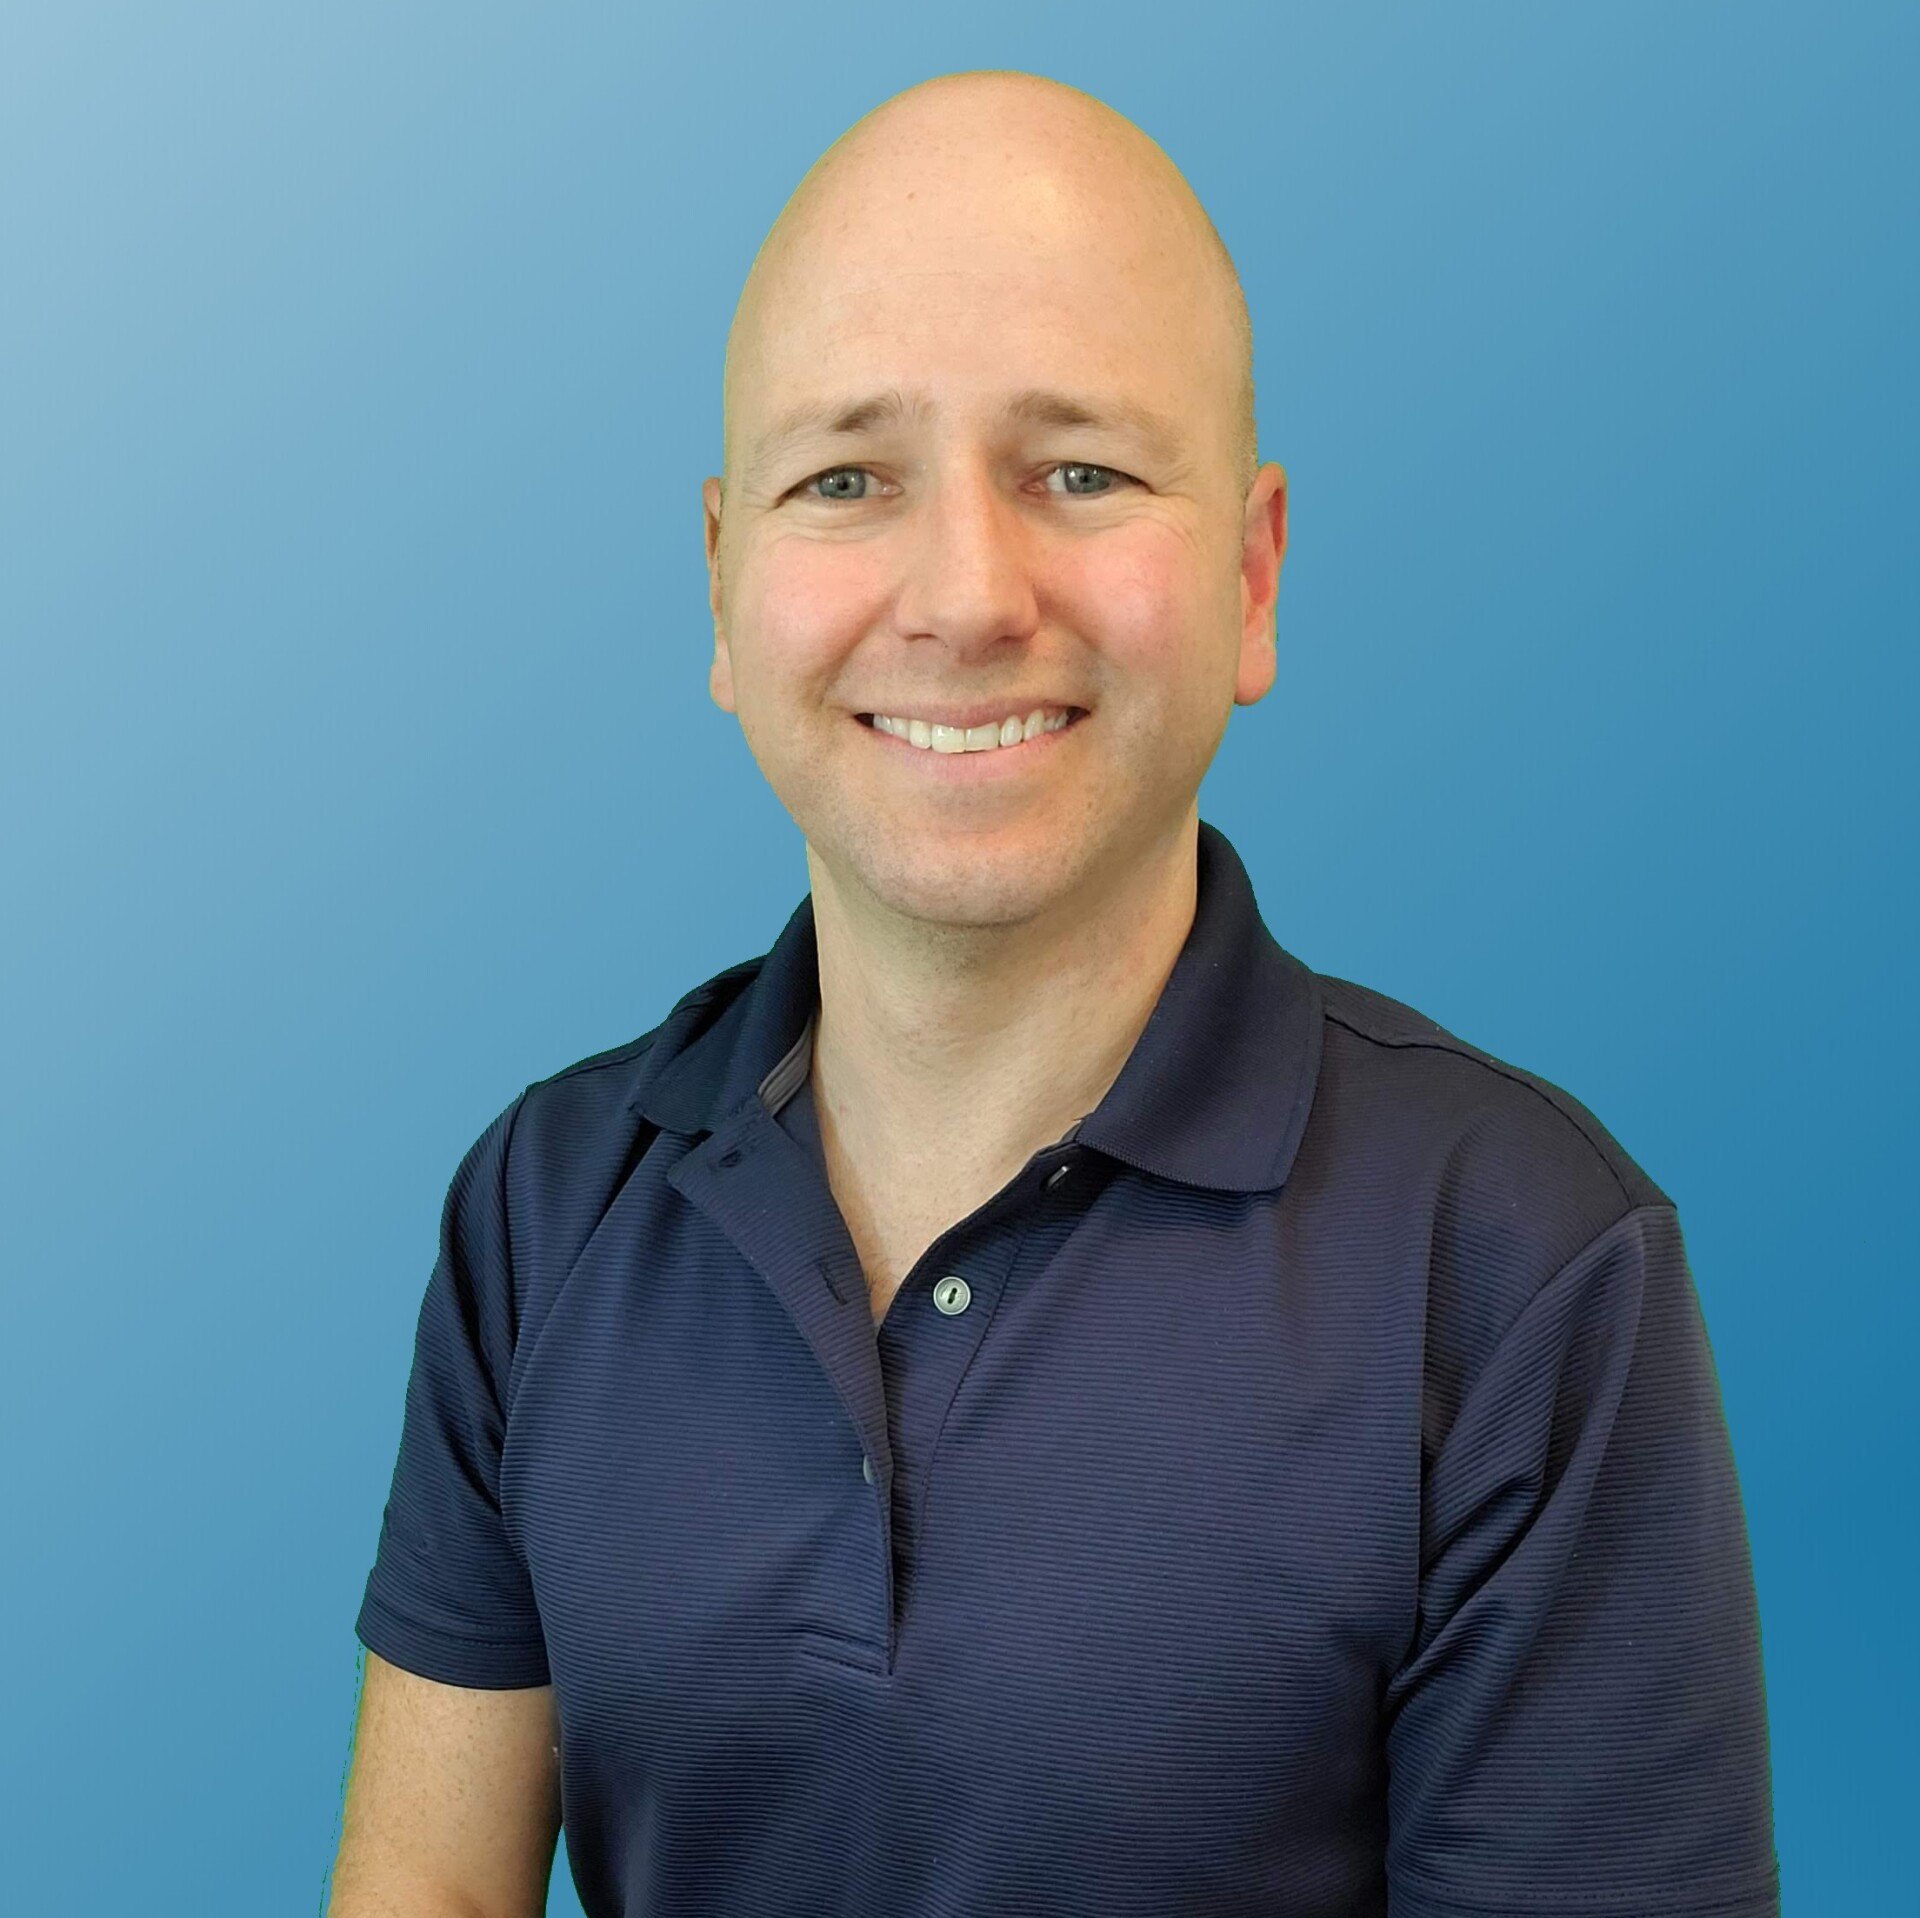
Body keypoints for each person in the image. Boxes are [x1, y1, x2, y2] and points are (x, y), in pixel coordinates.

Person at [327, 68, 1780, 1918]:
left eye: (1077, 472)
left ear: (1252, 576)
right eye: (847, 478)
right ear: (722, 584)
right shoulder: (542, 1209)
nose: (965, 591)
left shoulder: (1518, 1268)